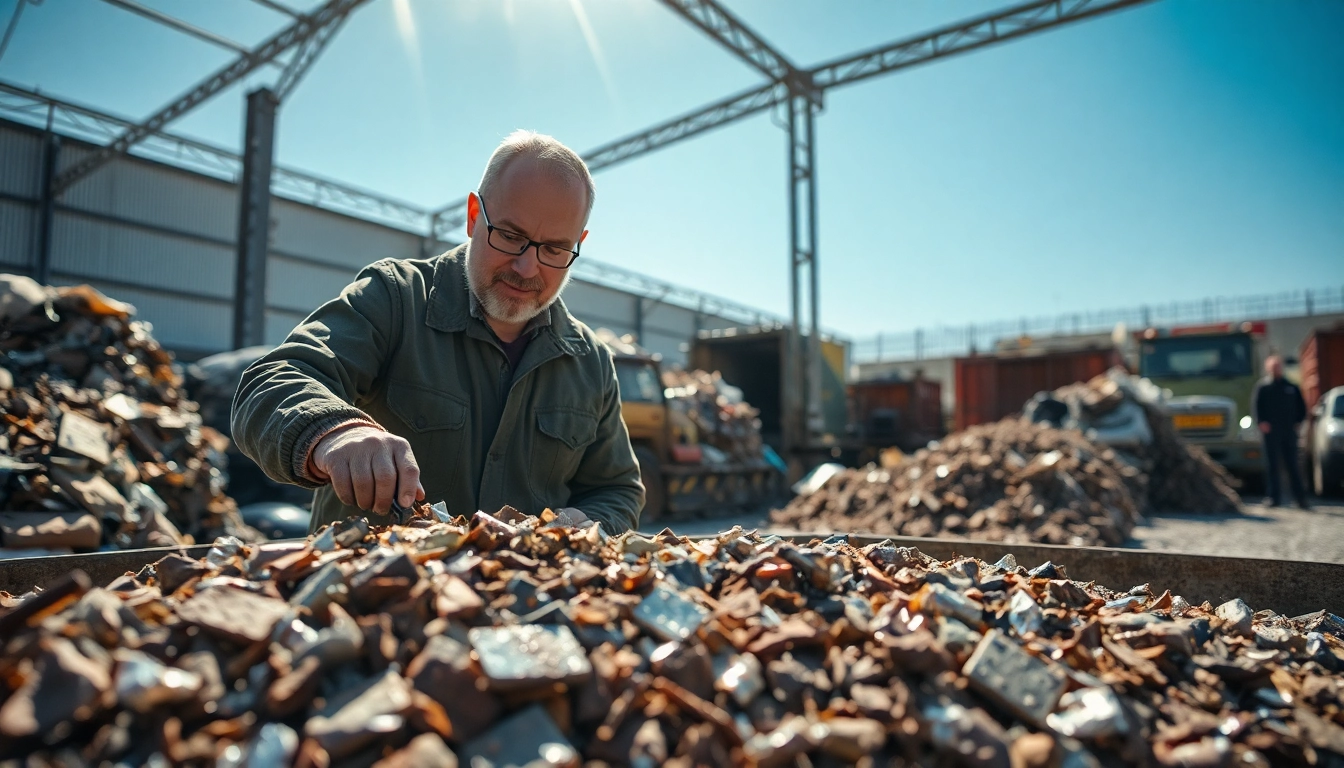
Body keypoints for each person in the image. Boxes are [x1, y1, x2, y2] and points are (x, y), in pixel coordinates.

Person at [231, 130, 644, 533]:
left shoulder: (590, 361)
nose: (526, 267)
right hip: (371, 594)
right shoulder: (395, 299)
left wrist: (591, 525)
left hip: (522, 599)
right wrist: (336, 432)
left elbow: (616, 489)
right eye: (511, 236)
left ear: (579, 243)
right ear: (473, 216)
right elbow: (271, 383)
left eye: (554, 249)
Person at [1252, 355, 1310, 510]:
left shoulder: (1291, 386)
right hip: (1271, 433)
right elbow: (1257, 408)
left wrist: (1298, 422)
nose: (1276, 370)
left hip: (1288, 432)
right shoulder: (1263, 387)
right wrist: (1262, 422)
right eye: (1273, 367)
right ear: (1268, 369)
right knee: (1272, 466)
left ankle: (1300, 499)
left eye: (1278, 367)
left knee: (1293, 465)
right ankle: (1273, 498)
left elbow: (1302, 408)